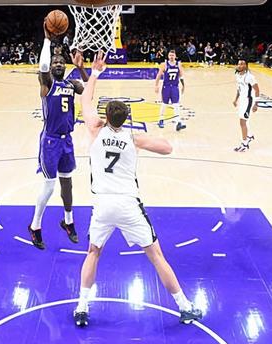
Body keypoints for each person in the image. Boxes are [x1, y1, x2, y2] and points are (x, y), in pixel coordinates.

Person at [73, 53, 203, 327]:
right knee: (156, 256)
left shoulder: (95, 130)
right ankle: (185, 306)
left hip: (103, 205)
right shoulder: (133, 137)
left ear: (106, 117)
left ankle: (82, 307)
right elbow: (167, 148)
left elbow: (85, 100)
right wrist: (138, 140)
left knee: (93, 253)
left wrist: (94, 72)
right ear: (125, 119)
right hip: (129, 205)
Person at [28, 22, 90, 250]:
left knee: (67, 184)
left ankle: (68, 221)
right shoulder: (47, 84)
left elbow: (88, 88)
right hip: (50, 141)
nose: (57, 64)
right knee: (49, 185)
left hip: (67, 140)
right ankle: (35, 226)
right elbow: (43, 65)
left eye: (61, 62)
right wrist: (47, 40)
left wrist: (81, 68)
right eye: (55, 62)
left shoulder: (71, 83)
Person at [154, 49, 186, 131]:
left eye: (173, 55)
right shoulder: (164, 64)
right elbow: (158, 75)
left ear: (175, 56)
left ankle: (178, 122)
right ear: (168, 56)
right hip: (166, 87)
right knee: (164, 104)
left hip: (175, 87)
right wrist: (156, 85)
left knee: (176, 104)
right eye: (170, 55)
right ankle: (161, 120)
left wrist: (183, 85)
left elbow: (181, 76)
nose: (171, 57)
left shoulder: (178, 64)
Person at [232, 59, 259, 152]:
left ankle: (244, 144)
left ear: (246, 66)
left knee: (242, 122)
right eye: (238, 64)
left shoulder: (250, 77)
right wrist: (236, 99)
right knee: (243, 120)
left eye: (242, 64)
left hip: (248, 101)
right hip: (242, 101)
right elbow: (239, 89)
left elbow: (257, 90)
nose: (239, 65)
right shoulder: (237, 75)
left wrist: (256, 104)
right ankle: (249, 135)